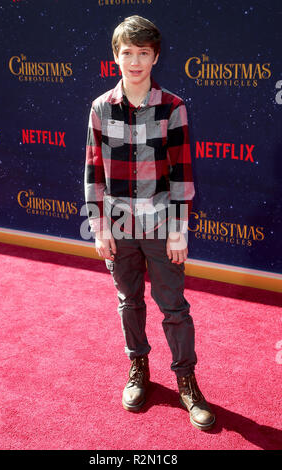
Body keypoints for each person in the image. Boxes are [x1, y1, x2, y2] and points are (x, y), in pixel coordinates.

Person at [84, 15, 215, 431]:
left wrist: (178, 229)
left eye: (143, 53)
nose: (135, 61)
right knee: (129, 301)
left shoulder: (173, 107)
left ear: (155, 57)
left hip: (162, 223)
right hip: (118, 224)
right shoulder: (101, 108)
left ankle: (186, 379)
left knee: (174, 307)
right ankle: (138, 367)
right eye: (127, 53)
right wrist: (100, 226)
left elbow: (182, 173)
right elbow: (94, 172)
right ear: (116, 57)